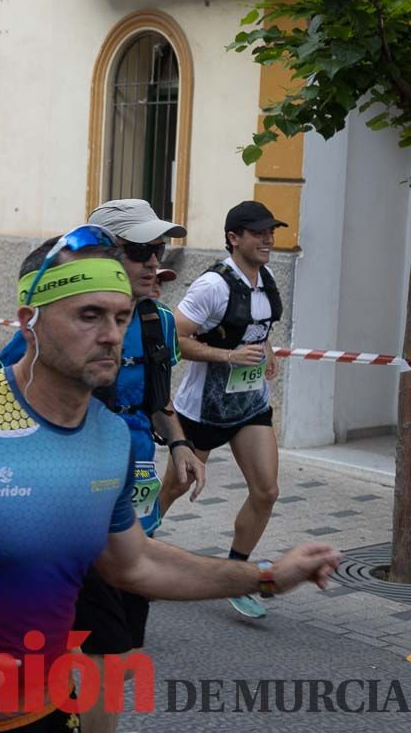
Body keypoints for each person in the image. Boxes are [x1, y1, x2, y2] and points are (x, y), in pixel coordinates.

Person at [0, 226, 339, 733]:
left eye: (120, 316)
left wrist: (266, 577)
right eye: (89, 315)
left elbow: (135, 562)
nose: (110, 335)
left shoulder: (109, 437)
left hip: (51, 708)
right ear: (29, 320)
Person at [0, 200, 205, 733]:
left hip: (132, 499)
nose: (152, 262)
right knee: (105, 650)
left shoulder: (159, 321)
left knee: (122, 646)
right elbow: (11, 388)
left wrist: (179, 445)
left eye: (157, 251)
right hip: (69, 503)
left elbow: (158, 400)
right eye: (138, 251)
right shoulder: (61, 319)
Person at [159, 200, 288, 620]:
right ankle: (133, 554)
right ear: (234, 238)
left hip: (249, 407)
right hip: (202, 410)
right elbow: (176, 339)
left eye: (272, 231)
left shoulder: (265, 278)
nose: (268, 239)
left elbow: (258, 329)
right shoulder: (212, 286)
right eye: (259, 233)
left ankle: (236, 574)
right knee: (175, 488)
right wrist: (228, 357)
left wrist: (265, 351)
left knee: (266, 491)